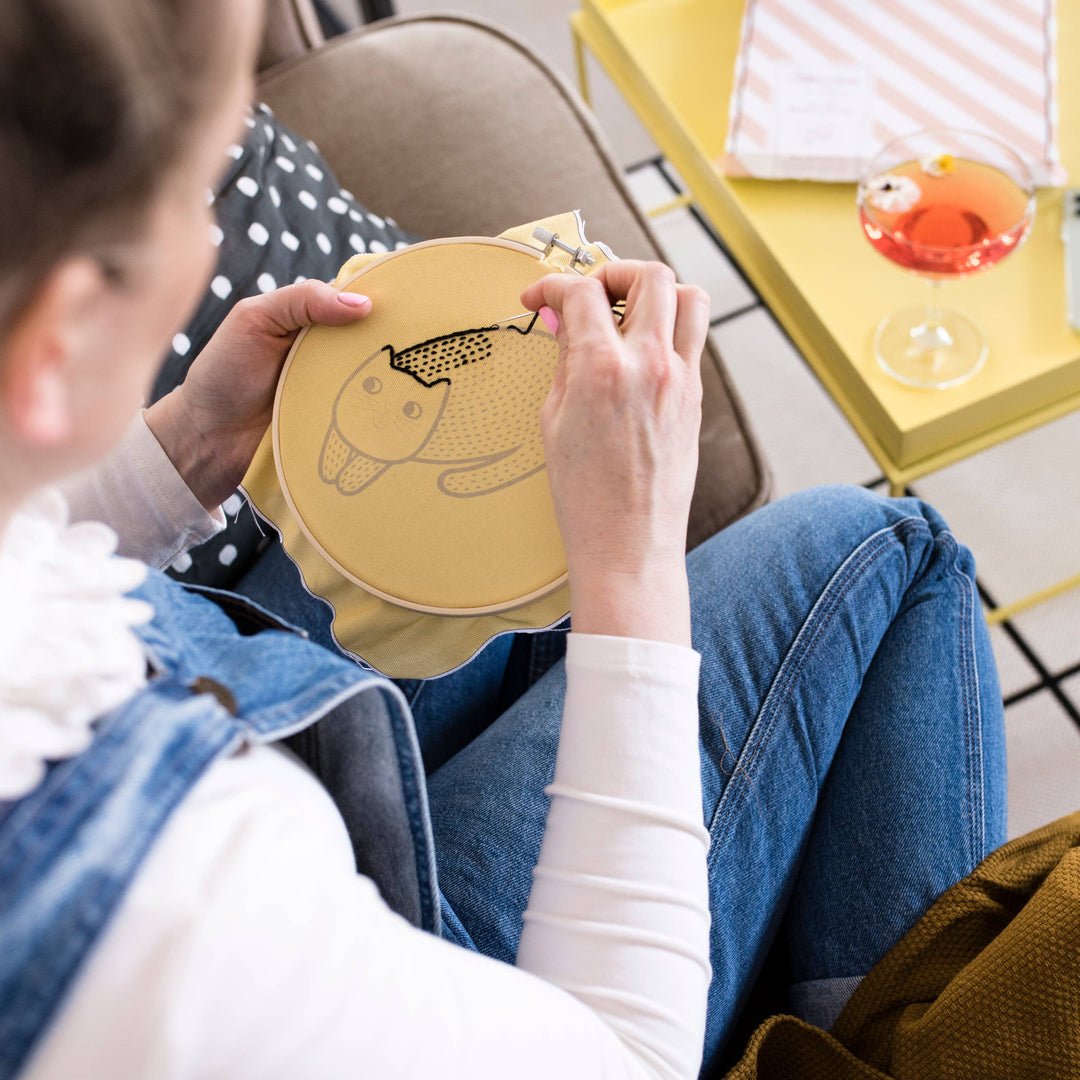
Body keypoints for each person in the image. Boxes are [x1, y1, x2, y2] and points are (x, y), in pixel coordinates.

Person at [0, 1, 1006, 1078]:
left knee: (519, 564)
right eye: (189, 199)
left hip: (217, 687)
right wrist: (631, 564)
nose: (210, 239)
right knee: (890, 550)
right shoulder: (186, 916)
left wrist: (189, 444)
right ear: (59, 336)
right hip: (397, 940)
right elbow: (616, 1060)